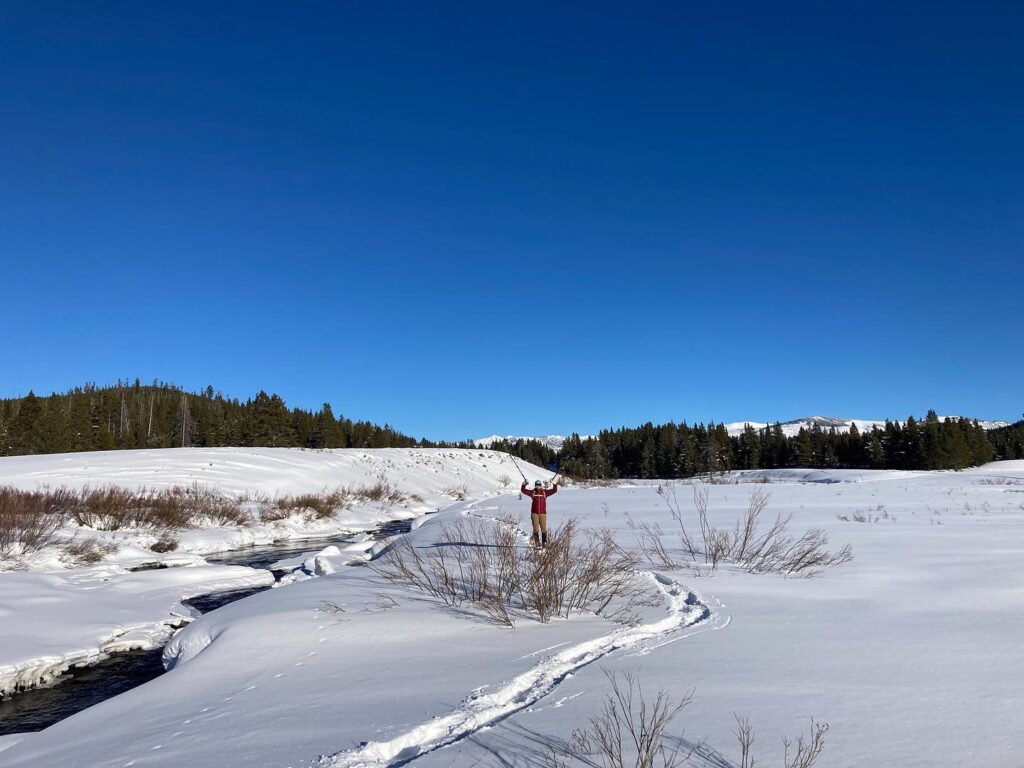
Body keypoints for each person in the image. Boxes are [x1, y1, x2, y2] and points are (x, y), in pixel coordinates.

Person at [521, 477, 558, 548]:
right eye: (536, 485)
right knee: (536, 529)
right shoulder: (532, 492)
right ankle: (537, 543)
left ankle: (544, 543)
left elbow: (554, 490)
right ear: (535, 485)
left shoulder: (545, 492)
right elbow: (523, 490)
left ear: (541, 485)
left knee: (543, 529)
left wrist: (554, 484)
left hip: (542, 513)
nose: (538, 486)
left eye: (539, 485)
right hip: (534, 513)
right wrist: (524, 484)